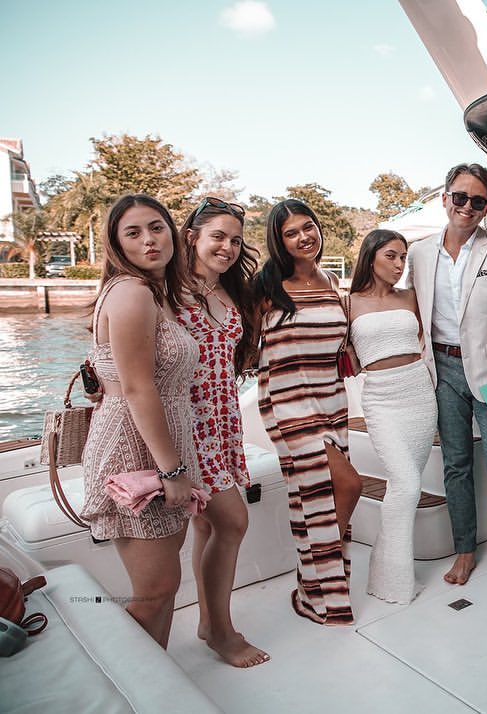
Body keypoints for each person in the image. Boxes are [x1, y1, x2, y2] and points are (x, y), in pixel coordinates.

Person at [407, 163, 487, 596]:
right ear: (445, 198)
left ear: (485, 208)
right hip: (441, 370)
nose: (467, 206)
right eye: (460, 197)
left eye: (477, 201)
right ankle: (464, 551)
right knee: (456, 465)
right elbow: (409, 308)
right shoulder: (419, 253)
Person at [80, 194, 202, 648]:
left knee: (164, 587)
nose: (149, 240)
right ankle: (125, 680)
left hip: (162, 444)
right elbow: (137, 388)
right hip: (136, 450)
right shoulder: (131, 292)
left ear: (173, 233)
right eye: (133, 233)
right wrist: (172, 471)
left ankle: (157, 676)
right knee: (155, 590)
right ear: (117, 244)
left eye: (156, 227)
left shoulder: (155, 293)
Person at [254, 198, 363, 625]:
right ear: (278, 241)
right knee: (348, 485)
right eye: (291, 232)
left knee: (317, 498)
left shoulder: (332, 281)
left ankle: (312, 590)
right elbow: (241, 347)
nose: (304, 237)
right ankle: (316, 581)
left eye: (308, 227)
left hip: (331, 399)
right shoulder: (266, 286)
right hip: (287, 402)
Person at [176, 197, 268, 666]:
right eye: (218, 236)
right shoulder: (167, 291)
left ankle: (207, 621)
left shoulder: (230, 291)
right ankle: (223, 633)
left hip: (223, 420)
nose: (228, 247)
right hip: (187, 425)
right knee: (233, 522)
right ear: (192, 236)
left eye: (235, 240)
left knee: (206, 524)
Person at [344, 229, 436, 604]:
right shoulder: (348, 303)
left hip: (419, 392)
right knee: (408, 484)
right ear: (370, 257)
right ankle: (394, 579)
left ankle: (386, 572)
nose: (399, 265)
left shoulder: (411, 297)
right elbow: (343, 356)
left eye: (403, 257)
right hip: (381, 398)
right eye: (391, 256)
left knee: (403, 486)